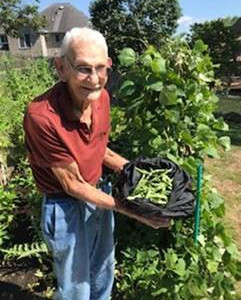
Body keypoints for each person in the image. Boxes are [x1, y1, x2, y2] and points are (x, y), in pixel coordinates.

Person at [23, 27, 168, 300]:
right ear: (61, 68)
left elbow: (98, 148)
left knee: (104, 272)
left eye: (101, 68)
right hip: (66, 207)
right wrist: (134, 211)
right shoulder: (41, 116)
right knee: (77, 289)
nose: (94, 79)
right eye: (83, 69)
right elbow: (72, 184)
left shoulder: (102, 98)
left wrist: (139, 173)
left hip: (98, 193)